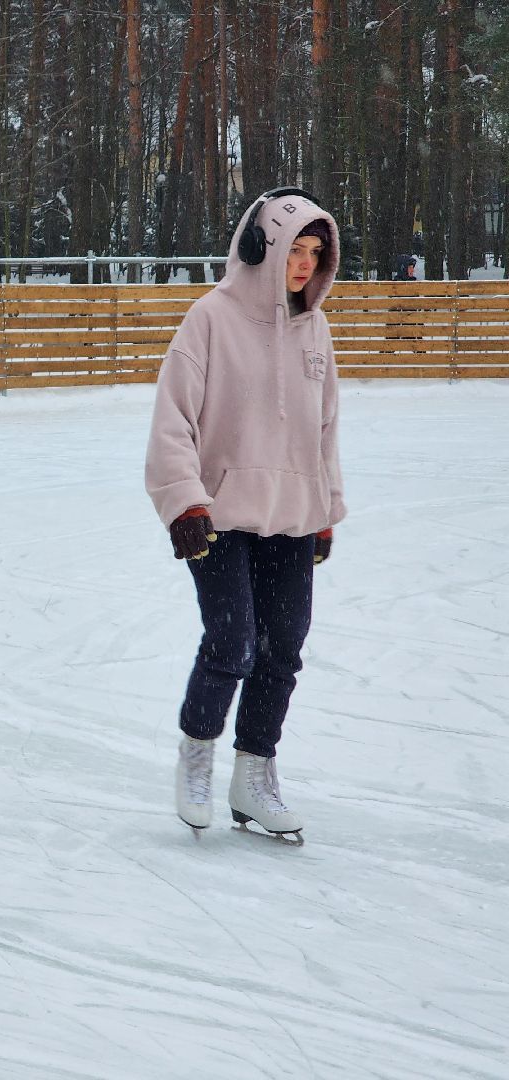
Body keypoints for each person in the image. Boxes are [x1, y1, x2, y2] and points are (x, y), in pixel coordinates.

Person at [146, 188, 346, 841]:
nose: (304, 265)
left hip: (290, 514)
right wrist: (184, 501)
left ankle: (254, 777)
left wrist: (324, 510)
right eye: (295, 250)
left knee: (282, 649)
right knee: (232, 643)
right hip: (220, 515)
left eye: (316, 254)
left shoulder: (315, 327)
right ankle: (197, 758)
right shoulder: (211, 318)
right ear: (263, 246)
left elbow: (325, 429)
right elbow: (172, 421)